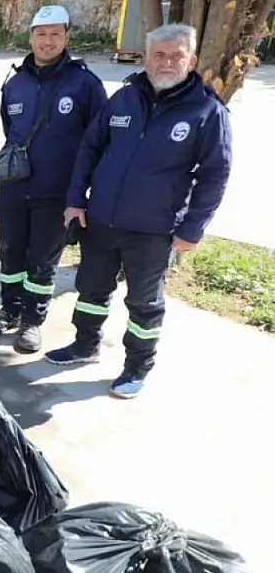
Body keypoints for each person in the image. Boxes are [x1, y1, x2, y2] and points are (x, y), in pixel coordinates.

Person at [45, 23, 232, 399]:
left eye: (176, 56)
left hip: (154, 228)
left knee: (144, 304)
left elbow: (216, 173)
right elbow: (90, 148)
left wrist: (193, 228)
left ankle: (136, 366)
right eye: (158, 55)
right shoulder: (124, 99)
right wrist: (76, 200)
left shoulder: (207, 111)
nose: (166, 62)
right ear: (145, 58)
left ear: (191, 60)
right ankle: (85, 344)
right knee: (91, 289)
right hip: (100, 220)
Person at [0, 6, 108, 352]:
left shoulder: (85, 84)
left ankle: (32, 322)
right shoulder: (15, 81)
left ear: (67, 36)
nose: (47, 41)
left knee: (42, 260)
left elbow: (99, 141)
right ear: (31, 36)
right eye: (41, 33)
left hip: (57, 193)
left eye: (55, 33)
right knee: (10, 253)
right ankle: (10, 309)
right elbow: (11, 130)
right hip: (14, 189)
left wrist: (79, 195)